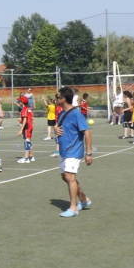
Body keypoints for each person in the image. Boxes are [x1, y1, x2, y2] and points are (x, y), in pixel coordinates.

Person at [55, 87, 93, 217]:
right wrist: (56, 130)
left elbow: (86, 132)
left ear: (64, 99)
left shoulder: (76, 113)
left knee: (70, 177)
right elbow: (60, 128)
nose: (56, 99)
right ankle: (84, 199)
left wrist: (89, 153)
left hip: (74, 150)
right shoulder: (61, 113)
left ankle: (73, 208)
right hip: (64, 151)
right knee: (65, 177)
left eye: (58, 96)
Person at [16, 99, 35, 163]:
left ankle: (26, 158)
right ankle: (31, 156)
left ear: (22, 102)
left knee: (26, 141)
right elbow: (31, 118)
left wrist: (21, 129)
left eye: (20, 101)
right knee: (28, 141)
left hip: (27, 127)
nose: (19, 102)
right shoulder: (28, 109)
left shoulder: (24, 109)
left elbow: (25, 120)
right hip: (30, 126)